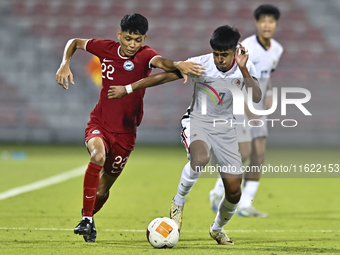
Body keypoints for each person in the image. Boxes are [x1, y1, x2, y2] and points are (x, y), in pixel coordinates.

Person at [55, 13, 204, 243]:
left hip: (126, 134)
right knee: (97, 155)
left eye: (137, 40)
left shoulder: (145, 55)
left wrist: (176, 65)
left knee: (103, 190)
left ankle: (90, 218)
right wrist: (65, 63)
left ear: (144, 38)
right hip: (100, 123)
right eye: (127, 39)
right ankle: (86, 219)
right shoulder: (105, 48)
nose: (132, 45)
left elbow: (162, 63)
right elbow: (74, 42)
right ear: (119, 35)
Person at [108, 25, 262, 245]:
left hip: (226, 129)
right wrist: (128, 88)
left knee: (234, 192)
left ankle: (217, 229)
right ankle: (178, 203)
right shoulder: (200, 64)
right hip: (197, 122)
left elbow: (256, 97)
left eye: (224, 55)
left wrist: (244, 69)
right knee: (200, 159)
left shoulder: (244, 67)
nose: (219, 59)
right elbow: (163, 77)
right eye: (216, 54)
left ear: (235, 50)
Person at [208, 4, 283, 217]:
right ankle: (218, 191)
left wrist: (267, 95)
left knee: (259, 155)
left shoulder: (277, 49)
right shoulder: (246, 47)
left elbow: (266, 76)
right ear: (257, 23)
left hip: (258, 104)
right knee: (244, 153)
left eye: (271, 21)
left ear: (276, 24)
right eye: (263, 20)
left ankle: (246, 204)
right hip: (241, 104)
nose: (267, 25)